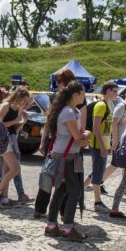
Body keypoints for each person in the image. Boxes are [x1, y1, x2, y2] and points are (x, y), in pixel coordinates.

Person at [35, 68, 88, 219]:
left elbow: (80, 128)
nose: (57, 84)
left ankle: (63, 214)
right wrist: (43, 140)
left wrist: (84, 135)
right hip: (59, 145)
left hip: (67, 144)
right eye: (57, 81)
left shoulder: (77, 103)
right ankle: (43, 210)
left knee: (63, 185)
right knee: (50, 177)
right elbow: (48, 120)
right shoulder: (58, 101)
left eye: (59, 81)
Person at [44, 82, 90, 242]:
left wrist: (84, 137)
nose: (85, 96)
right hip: (66, 158)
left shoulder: (70, 111)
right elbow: (78, 138)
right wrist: (88, 134)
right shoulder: (69, 112)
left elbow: (79, 138)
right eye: (83, 93)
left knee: (61, 190)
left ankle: (51, 226)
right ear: (76, 94)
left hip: (65, 155)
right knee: (75, 192)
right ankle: (68, 228)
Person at [103, 87, 126, 219]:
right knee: (118, 172)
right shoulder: (123, 108)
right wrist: (115, 140)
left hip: (125, 149)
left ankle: (100, 183)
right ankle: (98, 182)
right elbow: (114, 123)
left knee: (123, 176)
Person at [0, 88, 31, 208]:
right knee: (15, 168)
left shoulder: (18, 110)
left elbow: (14, 129)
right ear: (18, 97)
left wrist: (23, 122)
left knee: (7, 170)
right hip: (2, 141)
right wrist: (16, 120)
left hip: (9, 140)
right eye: (25, 102)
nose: (26, 105)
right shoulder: (6, 106)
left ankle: (4, 198)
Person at [86, 81, 119, 214]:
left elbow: (106, 127)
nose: (116, 94)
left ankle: (77, 195)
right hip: (98, 145)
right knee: (98, 174)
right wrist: (102, 146)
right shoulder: (101, 105)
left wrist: (109, 143)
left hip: (103, 144)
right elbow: (95, 127)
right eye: (115, 91)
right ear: (108, 91)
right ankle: (97, 202)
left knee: (96, 171)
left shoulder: (109, 105)